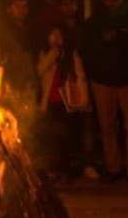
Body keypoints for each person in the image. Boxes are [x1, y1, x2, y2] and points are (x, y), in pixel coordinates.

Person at [80, 0, 128, 181]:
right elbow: (87, 50)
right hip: (103, 81)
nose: (112, 2)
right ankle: (114, 168)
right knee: (107, 127)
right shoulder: (94, 23)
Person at [35, 22, 93, 181]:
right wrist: (52, 54)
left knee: (66, 137)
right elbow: (39, 71)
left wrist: (84, 99)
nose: (56, 38)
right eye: (53, 35)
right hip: (50, 101)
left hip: (67, 102)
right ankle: (54, 170)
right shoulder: (45, 53)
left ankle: (66, 170)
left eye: (59, 35)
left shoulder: (70, 54)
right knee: (52, 137)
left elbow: (80, 76)